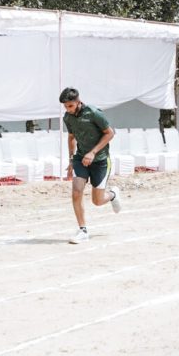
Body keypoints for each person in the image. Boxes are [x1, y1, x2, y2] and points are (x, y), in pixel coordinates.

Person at [60, 87, 123, 243]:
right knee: (76, 191)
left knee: (97, 201)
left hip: (100, 160)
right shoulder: (67, 117)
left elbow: (110, 133)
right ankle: (83, 230)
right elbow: (71, 137)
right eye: (65, 106)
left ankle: (113, 195)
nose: (68, 109)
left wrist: (93, 152)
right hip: (80, 159)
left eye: (70, 106)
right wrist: (71, 160)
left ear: (78, 102)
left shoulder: (94, 113)